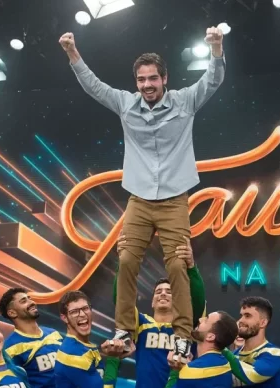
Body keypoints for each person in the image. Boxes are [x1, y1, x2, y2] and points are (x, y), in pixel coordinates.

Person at [59, 24, 226, 363]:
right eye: (141, 80)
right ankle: (124, 330)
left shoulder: (184, 102)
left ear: (164, 79)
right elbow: (94, 86)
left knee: (178, 265)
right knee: (125, 260)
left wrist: (217, 49)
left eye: (153, 78)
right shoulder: (126, 104)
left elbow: (213, 79)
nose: (147, 85)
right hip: (138, 199)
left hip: (175, 200)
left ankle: (182, 334)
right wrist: (73, 54)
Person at [115, 234, 206, 388]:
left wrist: (192, 267)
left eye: (169, 291)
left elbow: (198, 299)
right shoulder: (140, 322)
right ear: (152, 301)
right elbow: (121, 297)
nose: (163, 293)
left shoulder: (187, 325)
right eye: (158, 291)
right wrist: (123, 264)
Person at [54, 290, 124, 388]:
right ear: (64, 318)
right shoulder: (75, 355)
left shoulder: (84, 346)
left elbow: (100, 380)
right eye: (74, 312)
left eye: (85, 308)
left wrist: (118, 356)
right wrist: (113, 359)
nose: (82, 314)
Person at [159, 311, 238, 388]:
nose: (200, 320)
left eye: (206, 319)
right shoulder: (226, 364)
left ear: (210, 336)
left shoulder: (193, 371)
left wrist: (175, 372)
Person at [0, 288, 63, 388]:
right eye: (24, 301)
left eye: (30, 299)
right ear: (12, 313)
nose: (32, 302)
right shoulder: (10, 349)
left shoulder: (54, 334)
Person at [222, 296, 280, 388]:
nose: (241, 320)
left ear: (263, 322)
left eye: (247, 316)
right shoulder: (235, 355)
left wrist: (220, 345)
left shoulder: (275, 354)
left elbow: (251, 375)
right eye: (241, 315)